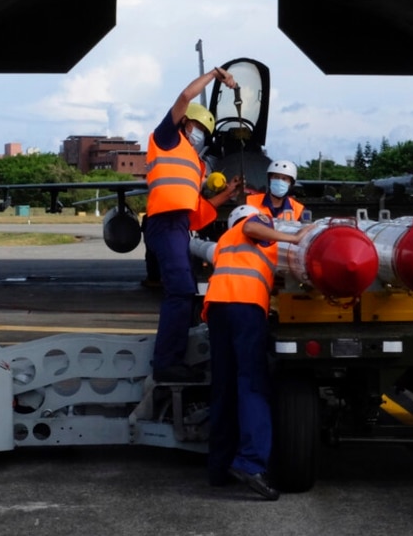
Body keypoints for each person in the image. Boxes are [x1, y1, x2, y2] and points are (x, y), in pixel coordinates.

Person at [204, 204, 312, 501]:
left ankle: (219, 468)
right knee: (252, 384)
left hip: (218, 308)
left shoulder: (227, 241)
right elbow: (254, 227)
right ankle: (251, 464)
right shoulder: (254, 224)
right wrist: (295, 237)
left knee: (223, 387)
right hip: (245, 307)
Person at [145, 67, 242, 383]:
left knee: (184, 292)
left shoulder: (195, 164)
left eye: (205, 131)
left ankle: (172, 357)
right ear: (184, 122)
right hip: (163, 223)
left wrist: (227, 194)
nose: (200, 133)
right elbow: (186, 96)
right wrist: (216, 74)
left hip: (177, 226)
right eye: (197, 126)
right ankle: (165, 364)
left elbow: (197, 212)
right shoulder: (167, 139)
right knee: (181, 291)